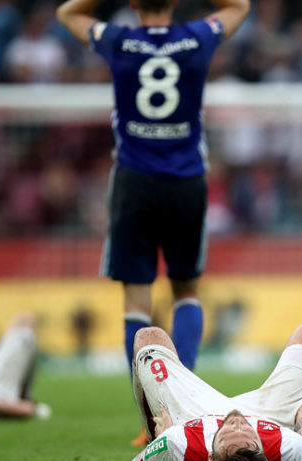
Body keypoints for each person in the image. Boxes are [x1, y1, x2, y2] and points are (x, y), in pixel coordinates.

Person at [57, 0, 250, 375]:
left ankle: (149, 411)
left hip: (135, 181)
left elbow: (68, 12)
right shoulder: (197, 38)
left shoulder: (119, 41)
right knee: (187, 292)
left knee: (135, 301)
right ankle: (186, 399)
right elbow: (240, 5)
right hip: (186, 180)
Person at [125, 323, 302, 461]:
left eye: (227, 436)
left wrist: (160, 441)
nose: (238, 424)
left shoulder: (177, 446)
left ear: (211, 457)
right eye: (250, 438)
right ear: (264, 453)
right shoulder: (289, 450)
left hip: (190, 417)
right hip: (271, 416)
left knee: (148, 337)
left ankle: (152, 438)